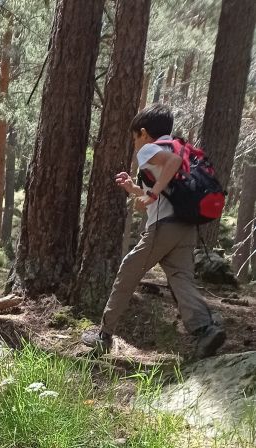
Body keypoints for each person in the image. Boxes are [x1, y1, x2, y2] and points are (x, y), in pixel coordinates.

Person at [82, 105, 225, 359]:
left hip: (163, 227)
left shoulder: (150, 149)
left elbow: (170, 168)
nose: (135, 143)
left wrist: (153, 193)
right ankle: (206, 330)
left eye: (135, 137)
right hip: (185, 227)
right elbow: (167, 188)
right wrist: (135, 190)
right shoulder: (178, 146)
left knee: (128, 271)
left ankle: (104, 335)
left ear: (144, 133)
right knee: (181, 278)